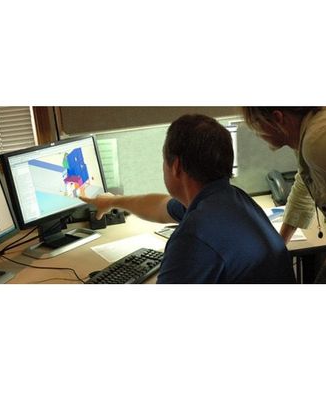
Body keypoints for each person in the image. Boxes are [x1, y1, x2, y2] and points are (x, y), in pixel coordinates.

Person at [81, 114, 294, 284]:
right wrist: (113, 201)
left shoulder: (193, 237)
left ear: (176, 166)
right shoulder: (231, 198)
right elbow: (159, 206)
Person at [241, 107, 326, 269]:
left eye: (256, 124)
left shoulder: (318, 142)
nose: (256, 133)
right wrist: (279, 246)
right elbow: (303, 187)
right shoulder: (308, 136)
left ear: (278, 118)